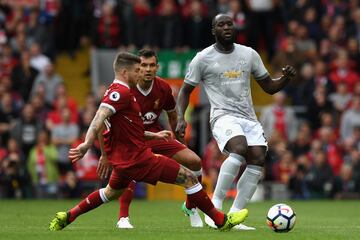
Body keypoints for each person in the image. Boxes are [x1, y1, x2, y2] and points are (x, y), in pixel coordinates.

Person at [49, 52, 248, 231]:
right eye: (137, 70)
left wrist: (155, 135)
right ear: (125, 72)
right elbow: (98, 118)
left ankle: (68, 216)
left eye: (147, 67)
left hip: (122, 159)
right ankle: (222, 221)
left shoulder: (116, 90)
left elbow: (129, 130)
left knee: (109, 193)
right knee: (189, 178)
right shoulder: (123, 93)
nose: (142, 72)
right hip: (138, 158)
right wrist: (86, 143)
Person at [175, 14, 296, 230]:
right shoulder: (203, 58)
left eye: (229, 24)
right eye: (221, 25)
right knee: (239, 148)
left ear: (235, 27)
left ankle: (235, 215)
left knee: (258, 157)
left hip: (248, 117)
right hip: (222, 115)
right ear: (214, 31)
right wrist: (181, 118)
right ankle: (214, 208)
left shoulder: (249, 54)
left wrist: (285, 79)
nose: (226, 27)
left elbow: (268, 86)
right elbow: (185, 91)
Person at [97, 49, 204, 228]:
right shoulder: (125, 88)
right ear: (137, 68)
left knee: (194, 161)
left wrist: (181, 143)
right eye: (144, 65)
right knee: (129, 171)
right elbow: (103, 121)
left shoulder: (162, 88)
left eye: (152, 65)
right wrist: (104, 154)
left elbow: (172, 117)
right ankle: (123, 218)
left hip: (156, 135)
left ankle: (191, 206)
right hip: (130, 140)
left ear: (157, 67)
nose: (147, 69)